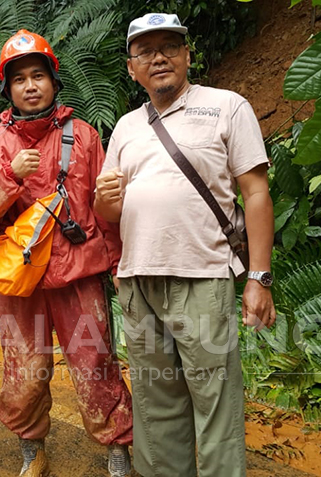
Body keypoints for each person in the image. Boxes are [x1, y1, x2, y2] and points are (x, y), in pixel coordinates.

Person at [94, 13, 276, 477]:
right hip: (138, 282)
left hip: (203, 276)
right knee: (157, 406)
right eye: (146, 51)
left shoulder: (226, 106)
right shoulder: (126, 128)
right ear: (131, 67)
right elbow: (113, 213)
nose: (159, 57)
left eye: (170, 46)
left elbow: (255, 193)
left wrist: (259, 277)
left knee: (215, 402)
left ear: (188, 56)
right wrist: (104, 202)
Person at [0, 29, 133, 477]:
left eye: (38, 75)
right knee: (24, 367)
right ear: (8, 89)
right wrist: (8, 175)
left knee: (95, 361)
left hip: (80, 273)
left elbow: (106, 210)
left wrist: (117, 266)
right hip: (21, 277)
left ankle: (117, 451)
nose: (30, 86)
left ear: (54, 82)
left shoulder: (86, 136)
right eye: (19, 79)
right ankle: (31, 448)